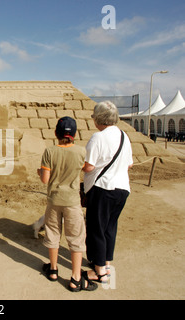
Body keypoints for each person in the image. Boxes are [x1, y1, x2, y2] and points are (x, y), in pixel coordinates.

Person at [38, 117, 97, 292]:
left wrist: (40, 171)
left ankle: (53, 270)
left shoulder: (49, 151)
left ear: (56, 133)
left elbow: (45, 179)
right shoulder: (80, 151)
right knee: (76, 238)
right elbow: (89, 168)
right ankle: (76, 278)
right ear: (75, 134)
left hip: (54, 200)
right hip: (72, 201)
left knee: (53, 234)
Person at [82, 101, 133, 284]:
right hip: (122, 188)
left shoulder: (98, 137)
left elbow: (89, 166)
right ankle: (106, 263)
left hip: (103, 188)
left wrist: (78, 165)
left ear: (99, 118)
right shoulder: (124, 136)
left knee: (96, 228)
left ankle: (100, 272)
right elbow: (129, 164)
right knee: (110, 228)